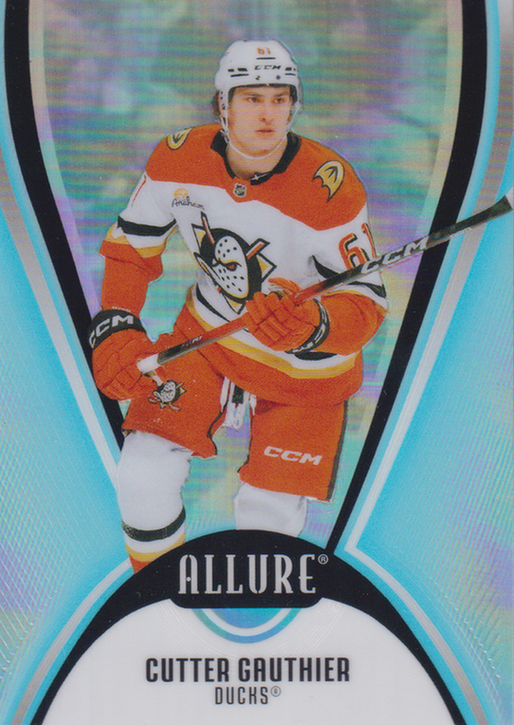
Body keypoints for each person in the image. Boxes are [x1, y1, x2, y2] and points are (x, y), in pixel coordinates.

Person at [88, 39, 388, 572]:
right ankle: (155, 595)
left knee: (267, 522)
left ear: (294, 104)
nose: (268, 114)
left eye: (280, 98)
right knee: (141, 475)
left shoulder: (330, 186)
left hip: (305, 369)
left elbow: (366, 302)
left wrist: (313, 325)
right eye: (252, 99)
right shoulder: (176, 158)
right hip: (209, 340)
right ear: (222, 104)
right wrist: (116, 325)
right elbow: (132, 247)